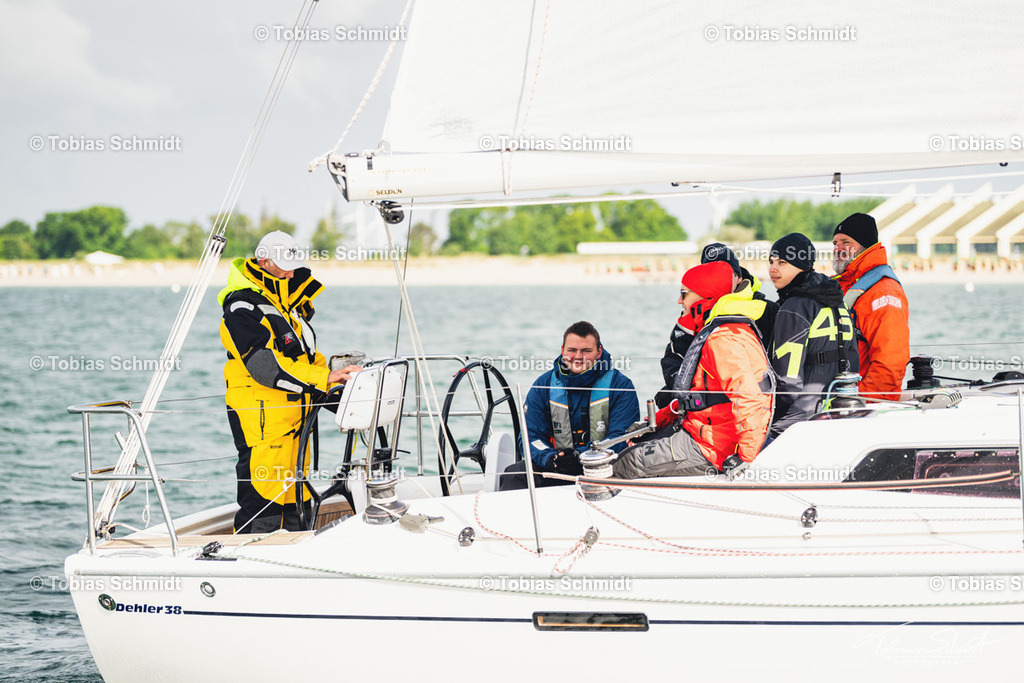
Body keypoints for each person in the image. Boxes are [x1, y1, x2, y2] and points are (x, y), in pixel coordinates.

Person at [219, 231, 361, 533]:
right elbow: (264, 367)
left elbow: (304, 360)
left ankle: (297, 558)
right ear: (263, 260)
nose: (289, 272)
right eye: (283, 264)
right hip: (262, 424)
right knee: (263, 503)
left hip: (294, 423)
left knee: (295, 501)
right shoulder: (241, 307)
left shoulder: (287, 306)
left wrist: (342, 381)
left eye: (293, 264)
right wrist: (324, 379)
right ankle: (248, 565)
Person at [615, 261, 774, 480]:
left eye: (684, 294)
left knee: (627, 462)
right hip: (702, 431)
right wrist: (658, 420)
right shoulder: (724, 330)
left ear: (704, 297)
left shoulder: (723, 339)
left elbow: (749, 398)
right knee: (632, 444)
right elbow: (701, 395)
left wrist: (745, 457)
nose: (679, 300)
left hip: (714, 448)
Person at [499, 321, 640, 491]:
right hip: (557, 467)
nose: (578, 356)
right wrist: (552, 459)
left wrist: (581, 456)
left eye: (586, 351)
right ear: (562, 351)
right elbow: (530, 437)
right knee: (513, 474)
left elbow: (621, 438)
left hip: (605, 468)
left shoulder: (621, 386)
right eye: (572, 350)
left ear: (598, 352)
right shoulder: (543, 385)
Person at [655, 243, 778, 408]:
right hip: (701, 395)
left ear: (738, 277)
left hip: (744, 401)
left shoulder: (766, 310)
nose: (719, 276)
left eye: (727, 272)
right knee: (662, 398)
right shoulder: (693, 312)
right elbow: (673, 362)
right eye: (711, 271)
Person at [767, 233, 858, 437]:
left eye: (782, 262)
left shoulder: (793, 308)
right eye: (771, 261)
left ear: (802, 265)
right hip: (837, 413)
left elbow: (788, 382)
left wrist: (764, 412)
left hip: (797, 421)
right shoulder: (837, 301)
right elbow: (853, 359)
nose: (773, 269)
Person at [831, 213, 910, 401]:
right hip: (840, 397)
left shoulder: (883, 292)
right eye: (835, 243)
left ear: (865, 246)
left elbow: (891, 363)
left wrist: (859, 402)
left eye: (846, 242)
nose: (838, 248)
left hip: (864, 404)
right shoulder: (845, 284)